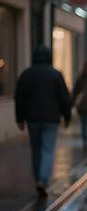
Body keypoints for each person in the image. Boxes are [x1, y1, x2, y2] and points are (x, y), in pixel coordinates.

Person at [15, 45, 72, 197]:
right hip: (51, 119)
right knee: (47, 149)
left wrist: (19, 119)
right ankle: (43, 179)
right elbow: (64, 98)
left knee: (36, 150)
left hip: (32, 118)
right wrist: (67, 117)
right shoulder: (55, 75)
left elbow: (19, 98)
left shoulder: (26, 75)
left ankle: (38, 179)